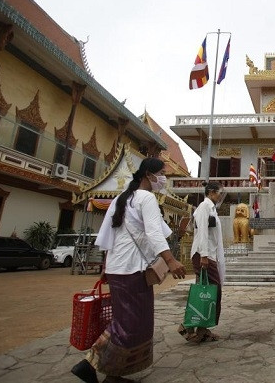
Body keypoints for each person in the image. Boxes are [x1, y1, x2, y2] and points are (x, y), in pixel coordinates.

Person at [71, 157, 187, 383]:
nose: (164, 179)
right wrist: (171, 261)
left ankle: (111, 373)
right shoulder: (146, 198)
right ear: (148, 175)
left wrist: (108, 265)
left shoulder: (122, 198)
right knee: (130, 324)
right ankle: (91, 364)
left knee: (127, 321)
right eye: (162, 173)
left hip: (119, 267)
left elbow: (109, 235)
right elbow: (154, 233)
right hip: (132, 269)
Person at [178, 181, 226, 344]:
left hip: (210, 254)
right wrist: (204, 255)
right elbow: (203, 233)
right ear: (211, 192)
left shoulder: (212, 209)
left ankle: (202, 329)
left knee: (209, 292)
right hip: (203, 254)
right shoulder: (204, 207)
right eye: (219, 192)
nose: (221, 196)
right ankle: (188, 326)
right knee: (211, 290)